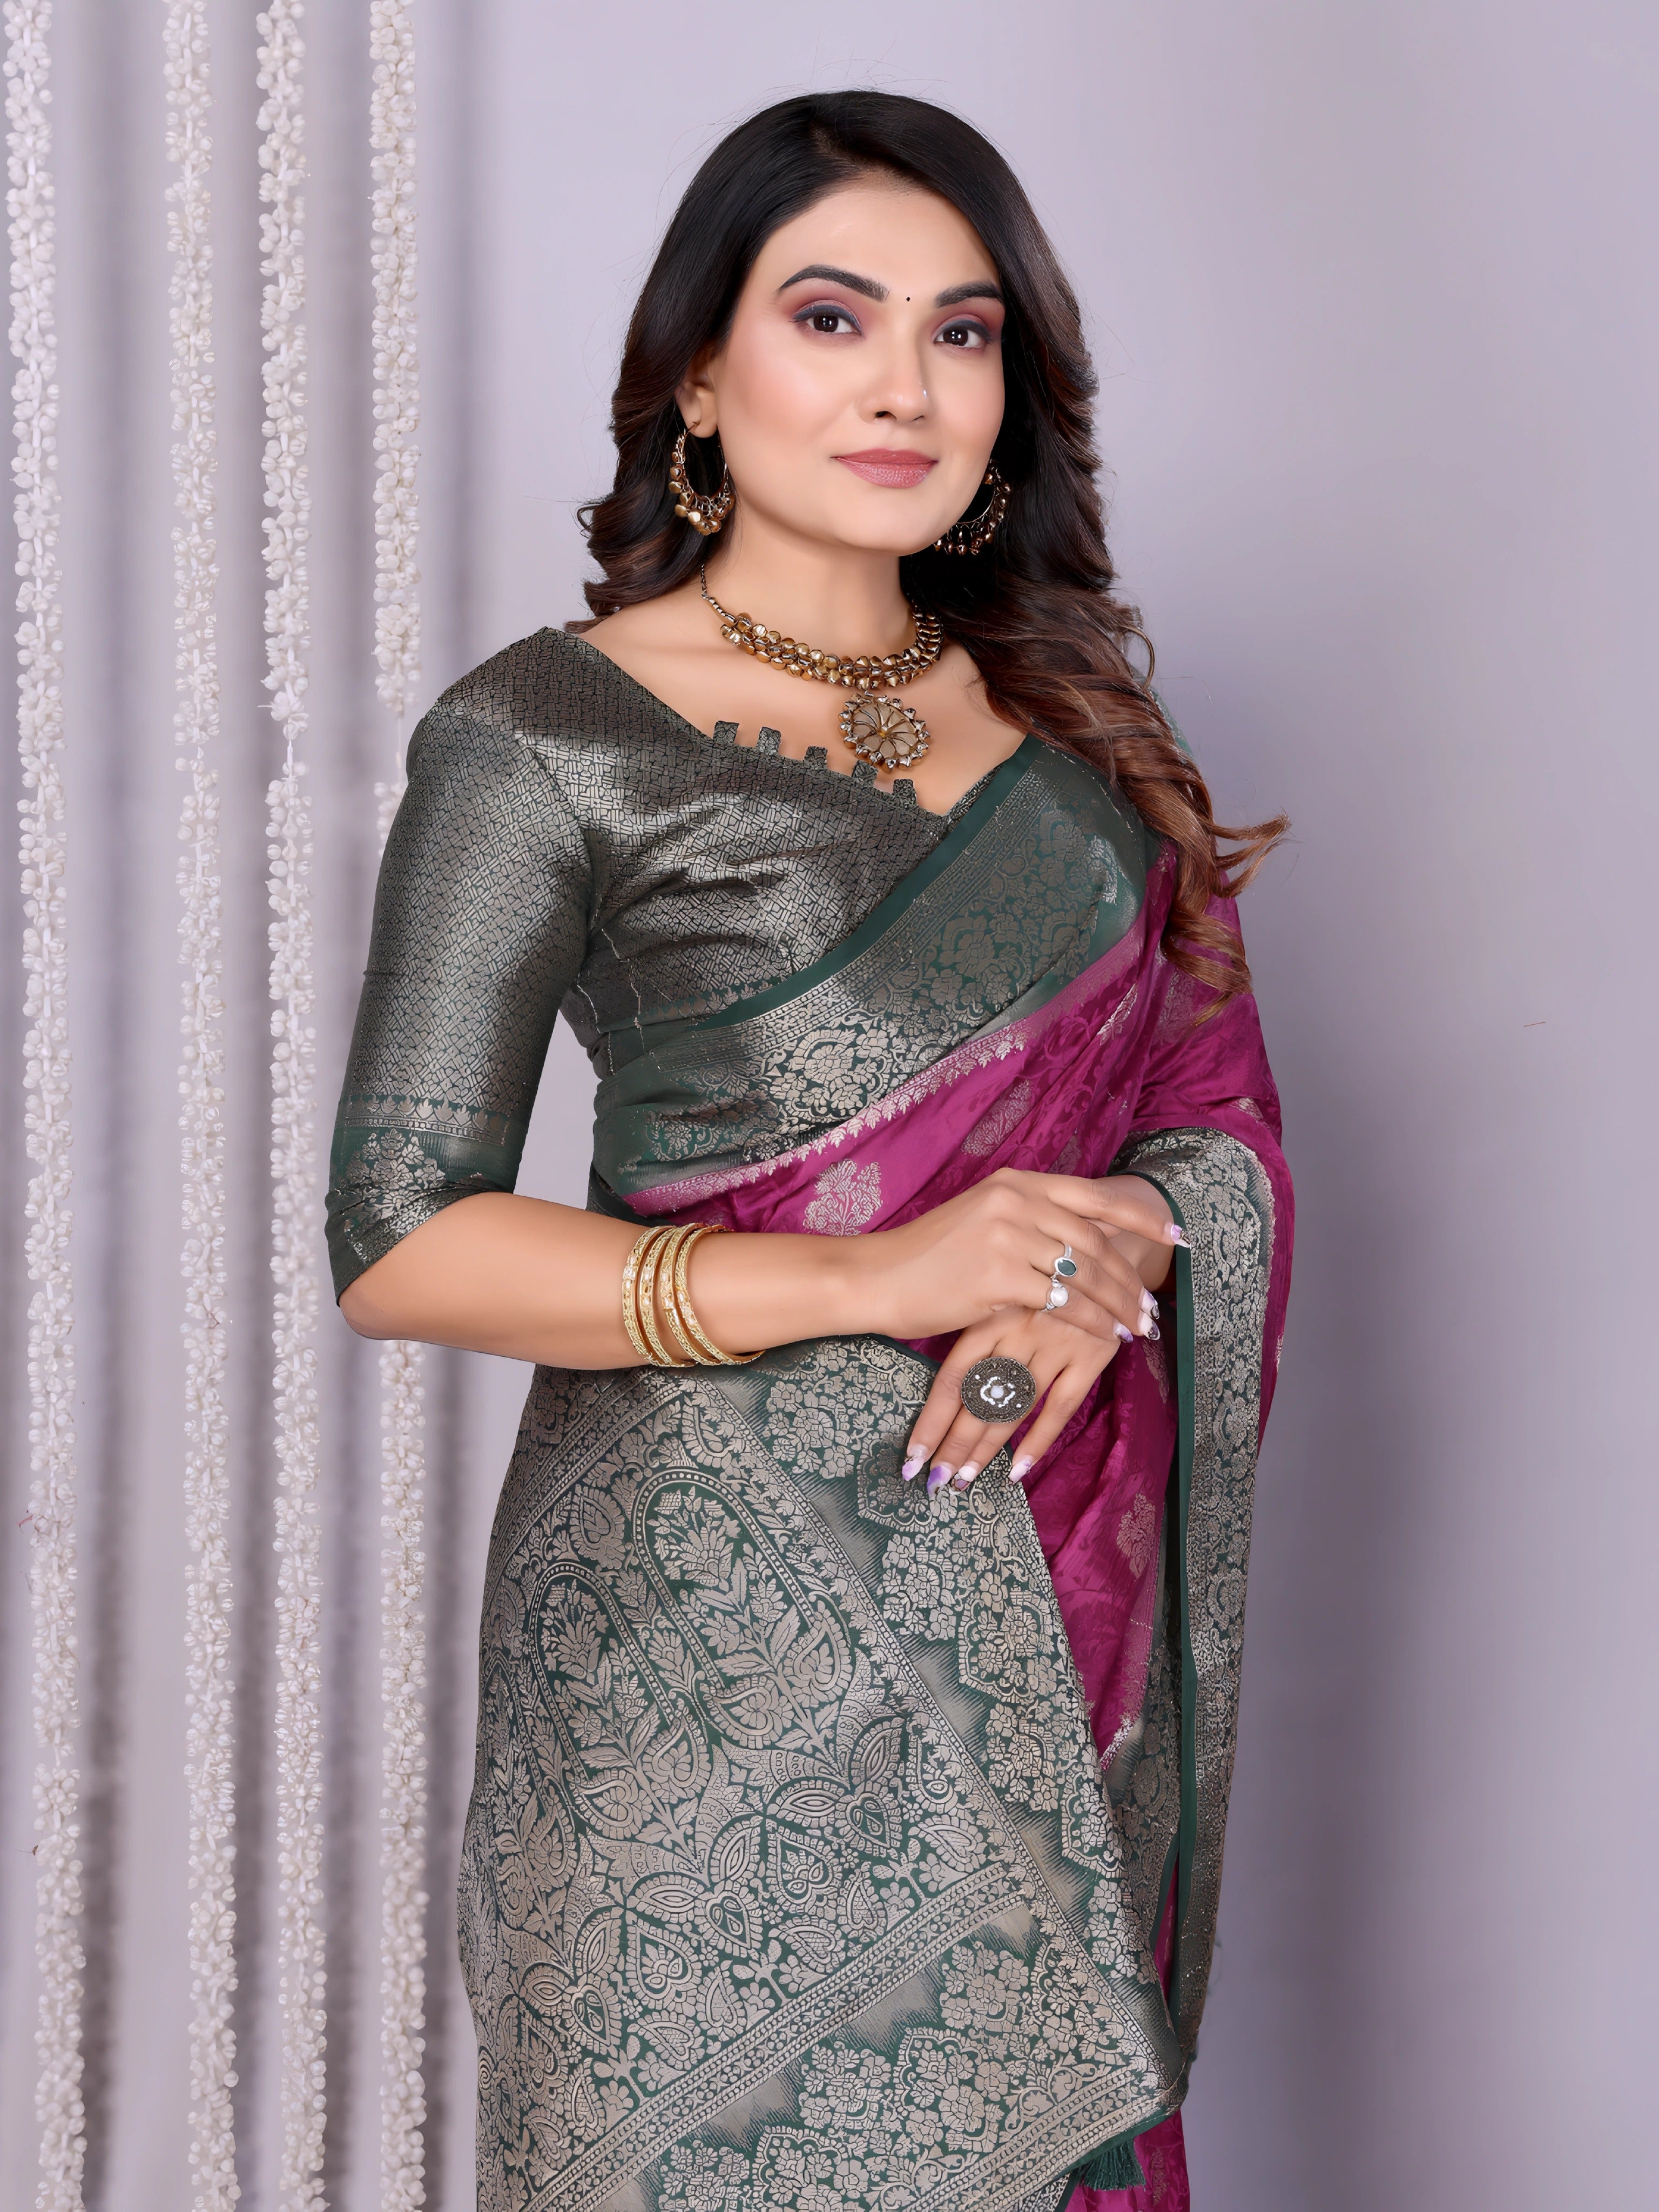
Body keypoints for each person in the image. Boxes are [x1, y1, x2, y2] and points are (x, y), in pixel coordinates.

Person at [327, 89, 1292, 2212]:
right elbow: (397, 1237)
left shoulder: (1090, 746)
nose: (904, 384)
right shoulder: (546, 738)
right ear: (701, 367)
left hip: (1024, 1621)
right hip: (687, 1675)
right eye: (833, 314)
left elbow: (1203, 1137)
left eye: (965, 335)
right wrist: (879, 1272)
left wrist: (1096, 1260)